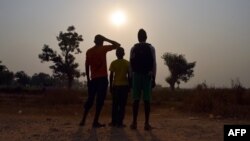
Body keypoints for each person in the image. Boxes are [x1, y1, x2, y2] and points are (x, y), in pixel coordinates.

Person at [79, 34, 120, 128]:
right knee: (100, 101)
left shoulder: (89, 51)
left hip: (93, 79)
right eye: (102, 40)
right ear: (102, 41)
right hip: (102, 79)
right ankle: (95, 121)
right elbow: (118, 45)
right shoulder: (103, 48)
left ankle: (83, 120)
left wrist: (88, 79)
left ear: (94, 41)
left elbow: (87, 66)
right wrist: (106, 39)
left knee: (90, 99)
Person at [129, 29, 156, 131]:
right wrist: (153, 77)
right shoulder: (151, 48)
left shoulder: (133, 48)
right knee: (147, 100)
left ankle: (134, 123)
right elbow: (154, 63)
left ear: (138, 37)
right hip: (147, 76)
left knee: (135, 100)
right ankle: (146, 124)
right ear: (146, 37)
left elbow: (130, 64)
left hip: (136, 76)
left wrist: (130, 78)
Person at [109, 47, 130, 128]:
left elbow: (111, 76)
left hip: (115, 86)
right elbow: (129, 76)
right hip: (124, 86)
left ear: (116, 54)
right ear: (124, 54)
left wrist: (110, 86)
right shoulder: (127, 63)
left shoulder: (113, 63)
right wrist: (129, 86)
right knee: (122, 105)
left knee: (115, 104)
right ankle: (120, 122)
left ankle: (113, 121)